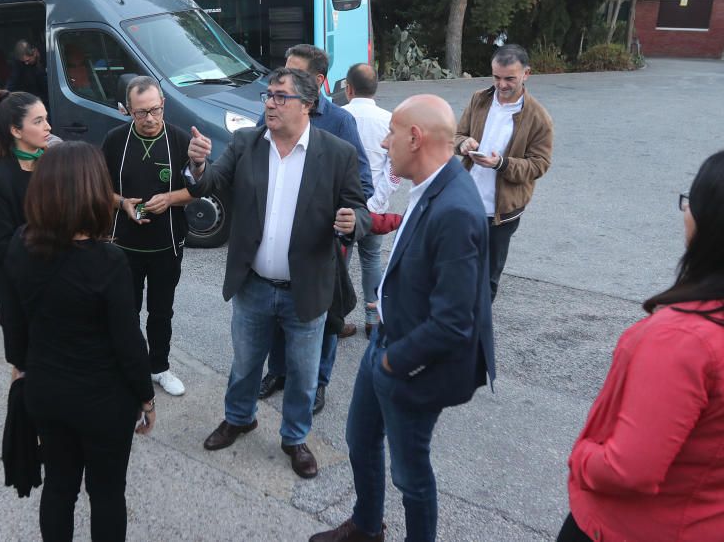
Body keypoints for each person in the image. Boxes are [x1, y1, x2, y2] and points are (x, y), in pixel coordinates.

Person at [310, 95, 494, 542]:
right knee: (360, 439)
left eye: (392, 132)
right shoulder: (432, 184)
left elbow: (454, 322)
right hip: (387, 343)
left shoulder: (455, 209)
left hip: (411, 361)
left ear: (416, 138)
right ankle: (368, 527)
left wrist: (393, 362)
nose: (385, 142)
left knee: (410, 474)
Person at [188, 67, 370, 479]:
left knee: (304, 375)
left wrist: (351, 221)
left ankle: (294, 438)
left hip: (306, 288)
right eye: (268, 95)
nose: (269, 103)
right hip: (253, 285)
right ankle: (239, 417)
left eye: (280, 96)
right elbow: (209, 184)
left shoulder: (337, 153)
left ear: (307, 105)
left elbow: (359, 207)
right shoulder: (245, 143)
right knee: (246, 363)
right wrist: (198, 166)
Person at [558, 150, 724, 542]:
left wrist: (581, 455)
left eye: (691, 202)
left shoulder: (683, 339)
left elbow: (627, 468)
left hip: (631, 526)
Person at [3, 142, 156, 542]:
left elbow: (14, 320)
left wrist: (20, 366)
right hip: (103, 401)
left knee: (58, 486)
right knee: (106, 494)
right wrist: (146, 396)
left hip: (46, 391)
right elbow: (128, 344)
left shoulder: (21, 244)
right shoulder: (107, 262)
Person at [258, 44, 374, 416]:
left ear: (319, 82)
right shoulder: (273, 112)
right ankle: (277, 371)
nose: (284, 81)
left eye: (296, 74)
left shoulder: (340, 123)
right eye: (283, 71)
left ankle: (317, 382)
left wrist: (340, 218)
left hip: (321, 247)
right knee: (278, 311)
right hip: (277, 242)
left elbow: (364, 185)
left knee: (323, 318)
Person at [101, 76, 194, 397]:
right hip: (123, 243)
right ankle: (130, 367)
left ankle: (159, 367)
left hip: (167, 243)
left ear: (163, 105)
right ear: (128, 111)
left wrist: (169, 199)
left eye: (155, 110)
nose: (150, 119)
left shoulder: (181, 141)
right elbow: (100, 188)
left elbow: (198, 190)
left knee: (161, 311)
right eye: (141, 113)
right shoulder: (115, 141)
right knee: (126, 311)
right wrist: (123, 203)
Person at [455, 43, 554, 301]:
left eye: (509, 78)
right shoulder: (479, 99)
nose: (501, 85)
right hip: (466, 201)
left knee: (487, 279)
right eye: (496, 77)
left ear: (526, 74)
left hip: (501, 214)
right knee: (457, 269)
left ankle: (478, 333)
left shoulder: (539, 117)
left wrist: (502, 164)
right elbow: (457, 133)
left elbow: (539, 164)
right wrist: (462, 143)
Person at [0, 91, 52, 373]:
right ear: (16, 130)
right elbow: (3, 246)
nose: (48, 127)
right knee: (24, 368)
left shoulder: (52, 166)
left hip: (56, 282)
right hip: (20, 291)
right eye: (39, 121)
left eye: (46, 119)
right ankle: (21, 417)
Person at [342, 63, 398, 338]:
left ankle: (336, 316)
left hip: (341, 208)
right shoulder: (389, 120)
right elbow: (395, 167)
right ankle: (373, 317)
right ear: (375, 88)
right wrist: (377, 202)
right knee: (372, 260)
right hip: (375, 206)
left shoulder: (338, 117)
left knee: (339, 261)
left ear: (348, 89)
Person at [6, 39, 49, 112]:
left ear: (34, 52)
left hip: (50, 95)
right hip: (33, 98)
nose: (26, 63)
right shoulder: (19, 64)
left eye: (28, 60)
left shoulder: (48, 55)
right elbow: (13, 80)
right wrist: (5, 94)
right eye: (24, 61)